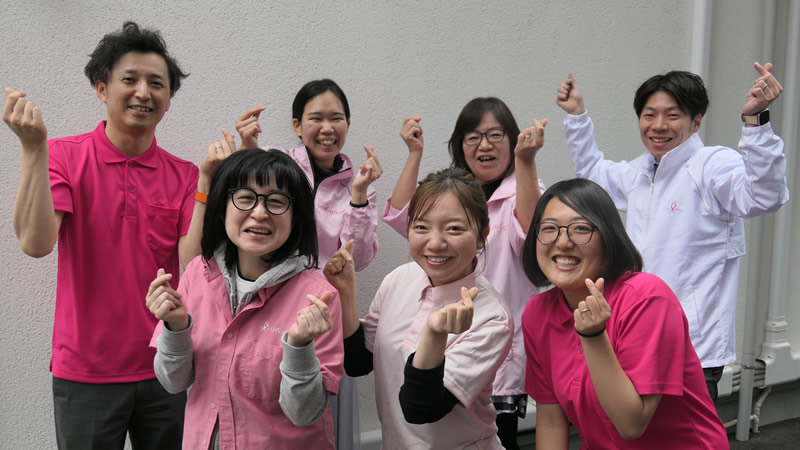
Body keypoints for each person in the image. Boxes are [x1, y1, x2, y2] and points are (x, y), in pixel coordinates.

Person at [3, 22, 196, 449]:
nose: (143, 92)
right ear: (101, 88)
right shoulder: (63, 156)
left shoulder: (185, 175)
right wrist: (33, 149)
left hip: (166, 365)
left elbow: (194, 262)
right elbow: (35, 243)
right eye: (130, 79)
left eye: (156, 84)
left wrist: (213, 183)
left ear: (168, 100)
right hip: (85, 371)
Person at [556, 64, 789, 402]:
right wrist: (577, 116)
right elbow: (593, 173)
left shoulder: (711, 165)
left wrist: (755, 121)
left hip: (693, 349)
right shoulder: (640, 173)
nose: (659, 125)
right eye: (649, 115)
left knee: (686, 431)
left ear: (696, 122)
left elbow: (764, 195)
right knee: (635, 427)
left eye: (673, 115)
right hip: (636, 339)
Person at [148, 148, 344, 449]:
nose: (260, 213)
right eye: (245, 198)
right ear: (222, 207)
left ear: (296, 217)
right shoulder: (197, 275)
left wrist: (299, 348)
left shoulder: (319, 298)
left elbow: (305, 413)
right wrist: (176, 328)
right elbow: (173, 382)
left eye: (276, 201)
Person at [382, 98, 545, 448]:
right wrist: (414, 154)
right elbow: (402, 217)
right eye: (473, 136)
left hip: (491, 332)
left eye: (495, 135)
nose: (484, 145)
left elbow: (533, 241)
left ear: (513, 140)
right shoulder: (453, 192)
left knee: (494, 429)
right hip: (441, 326)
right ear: (460, 145)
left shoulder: (524, 188)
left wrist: (526, 162)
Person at [521, 178, 728, 448]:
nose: (562, 242)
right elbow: (551, 421)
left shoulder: (646, 299)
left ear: (608, 238)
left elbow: (631, 424)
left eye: (580, 229)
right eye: (549, 229)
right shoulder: (538, 313)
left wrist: (594, 336)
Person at [235, 78, 381, 449]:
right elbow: (252, 218)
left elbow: (359, 259)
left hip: (326, 313)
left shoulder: (358, 183)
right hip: (273, 305)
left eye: (337, 118)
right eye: (316, 118)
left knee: (323, 412)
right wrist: (248, 149)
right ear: (298, 125)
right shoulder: (278, 165)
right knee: (265, 402)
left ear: (348, 124)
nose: (327, 128)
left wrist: (359, 198)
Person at [325, 168, 513, 449]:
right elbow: (359, 361)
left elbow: (421, 408)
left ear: (482, 235)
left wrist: (434, 334)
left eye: (454, 229)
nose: (435, 243)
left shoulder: (491, 317)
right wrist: (346, 293)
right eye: (421, 227)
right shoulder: (399, 279)